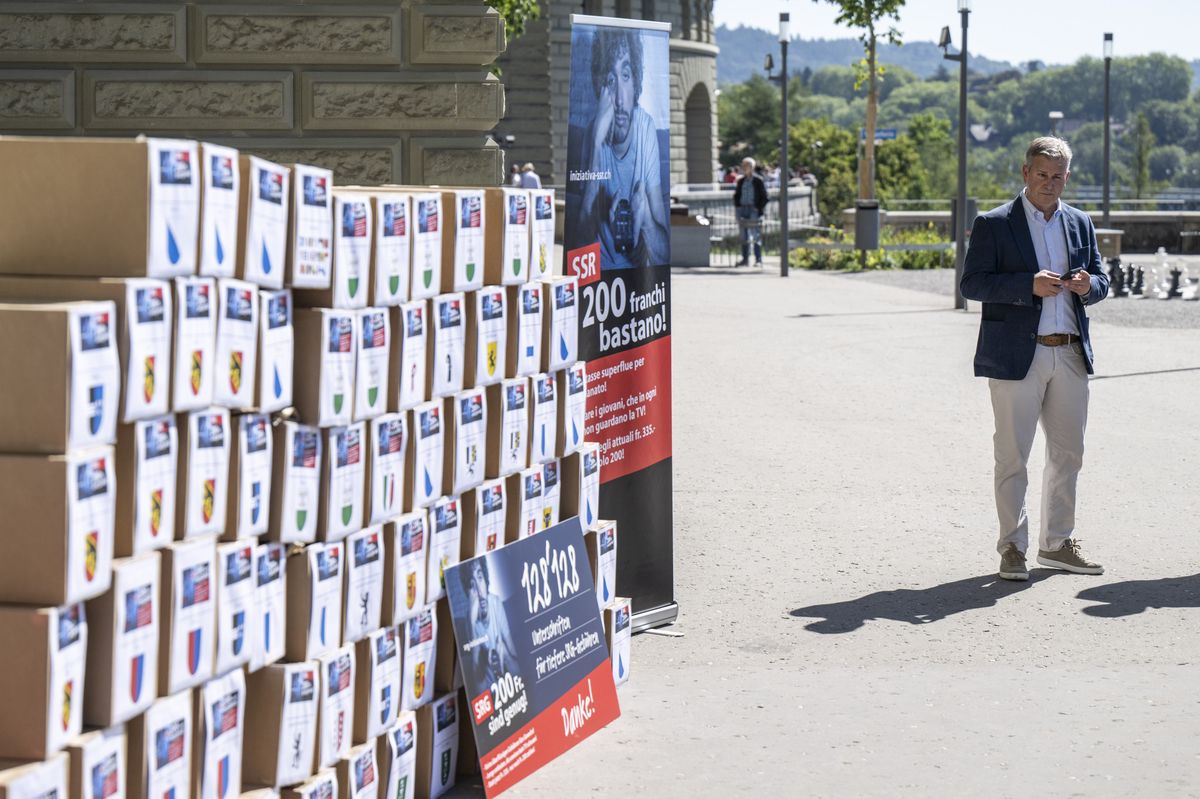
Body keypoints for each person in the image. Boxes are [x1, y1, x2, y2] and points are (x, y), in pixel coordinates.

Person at [960, 136, 1109, 582]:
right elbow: (972, 284)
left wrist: (1088, 286)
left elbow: (1102, 280)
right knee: (1012, 457)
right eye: (1042, 174)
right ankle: (1013, 547)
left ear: (1067, 176)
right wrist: (1027, 283)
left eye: (1058, 176)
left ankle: (1057, 544)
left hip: (1069, 353)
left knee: (1069, 455)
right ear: (1026, 174)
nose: (1050, 183)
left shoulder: (1080, 222)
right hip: (1015, 357)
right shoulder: (994, 223)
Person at [579, 27, 670, 268]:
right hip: (601, 274)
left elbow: (664, 254)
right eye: (610, 80)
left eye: (626, 76)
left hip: (638, 279)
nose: (619, 100)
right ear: (600, 88)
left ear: (637, 81)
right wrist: (596, 147)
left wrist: (648, 220)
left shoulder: (645, 127)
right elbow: (579, 241)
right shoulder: (593, 131)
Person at [464, 558, 516, 688]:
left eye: (480, 578)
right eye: (472, 585)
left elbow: (513, 652)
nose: (479, 591)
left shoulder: (495, 603)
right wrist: (471, 623)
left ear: (486, 581)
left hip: (508, 685)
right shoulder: (470, 618)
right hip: (490, 692)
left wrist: (505, 656)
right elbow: (477, 680)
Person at [732, 157, 767, 266]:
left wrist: (758, 207)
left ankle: (758, 259)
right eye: (743, 166)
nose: (744, 168)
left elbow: (764, 196)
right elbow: (737, 195)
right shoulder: (741, 181)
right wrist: (737, 206)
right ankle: (745, 259)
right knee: (743, 236)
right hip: (743, 209)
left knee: (756, 234)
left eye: (746, 166)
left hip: (753, 209)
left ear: (752, 167)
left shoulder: (758, 180)